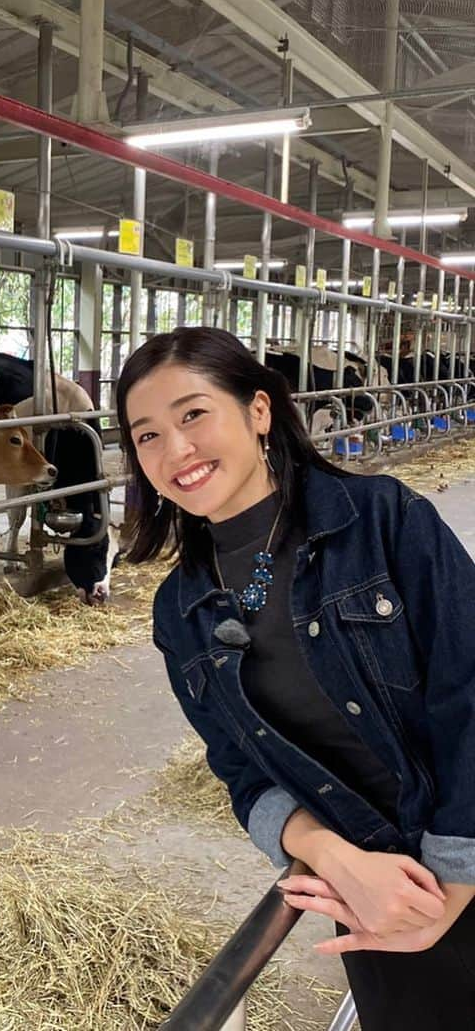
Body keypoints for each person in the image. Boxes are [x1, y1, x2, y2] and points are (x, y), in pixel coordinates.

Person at [115, 326, 475, 1028]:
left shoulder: (382, 519)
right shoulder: (181, 612)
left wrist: (456, 876)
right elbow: (243, 775)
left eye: (193, 415)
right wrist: (327, 853)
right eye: (147, 435)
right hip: (374, 895)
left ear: (258, 411)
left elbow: (470, 689)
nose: (176, 451)